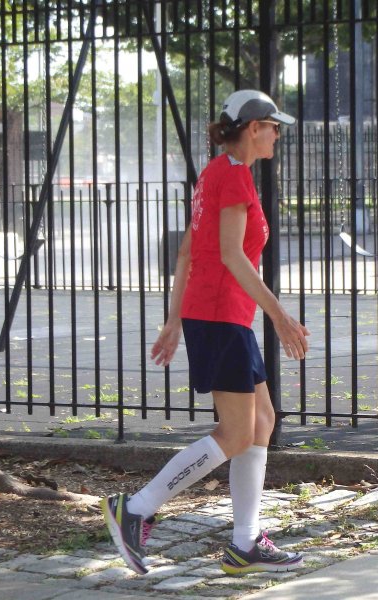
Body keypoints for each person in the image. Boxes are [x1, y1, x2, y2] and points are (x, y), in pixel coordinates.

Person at [101, 89, 310, 576]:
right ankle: (135, 508)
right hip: (220, 317)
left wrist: (176, 319)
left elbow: (187, 252)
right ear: (253, 128)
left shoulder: (216, 173)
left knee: (262, 421)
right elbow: (232, 255)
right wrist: (279, 316)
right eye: (273, 126)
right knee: (236, 433)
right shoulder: (232, 176)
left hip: (219, 316)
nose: (277, 134)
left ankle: (245, 543)